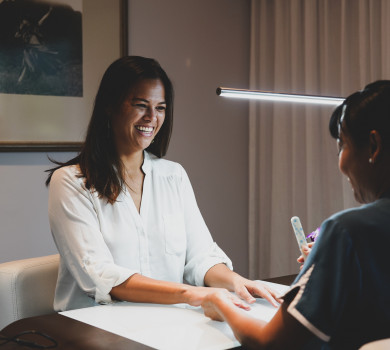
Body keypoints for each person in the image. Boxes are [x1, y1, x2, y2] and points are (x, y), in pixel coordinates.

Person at [46, 56, 280, 312]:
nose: (151, 117)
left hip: (166, 322)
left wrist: (238, 282)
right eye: (141, 105)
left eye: (160, 108)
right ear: (110, 106)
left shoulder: (173, 176)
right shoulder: (71, 182)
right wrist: (192, 294)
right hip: (92, 328)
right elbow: (100, 276)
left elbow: (201, 256)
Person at [201, 80, 390, 349]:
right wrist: (326, 269)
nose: (341, 163)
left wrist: (220, 304)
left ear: (374, 146)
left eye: (342, 145)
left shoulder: (346, 231)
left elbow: (273, 343)